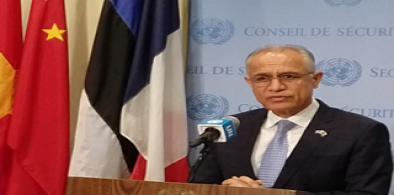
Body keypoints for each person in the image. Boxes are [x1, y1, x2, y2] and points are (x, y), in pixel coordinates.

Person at [191, 44, 393, 195]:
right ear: (249, 82)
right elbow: (201, 188)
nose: (276, 87)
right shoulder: (231, 126)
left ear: (315, 79)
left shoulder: (360, 132)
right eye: (262, 78)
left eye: (289, 76)